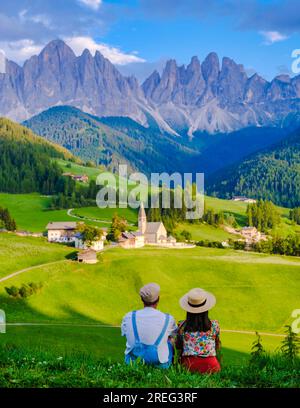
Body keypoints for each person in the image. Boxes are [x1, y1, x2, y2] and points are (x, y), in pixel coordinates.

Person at [121, 283, 177, 368]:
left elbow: (125, 334)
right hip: (160, 364)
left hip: (133, 363)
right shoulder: (168, 319)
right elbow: (173, 336)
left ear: (141, 299)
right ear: (158, 299)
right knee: (169, 340)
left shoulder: (129, 316)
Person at [176, 287, 221, 374]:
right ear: (206, 308)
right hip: (212, 366)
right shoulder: (215, 325)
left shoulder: (181, 326)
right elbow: (217, 344)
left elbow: (179, 346)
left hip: (188, 366)